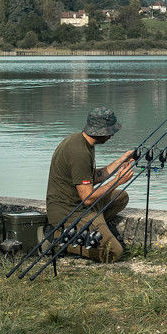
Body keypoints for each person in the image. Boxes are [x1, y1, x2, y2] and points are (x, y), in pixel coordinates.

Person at [45, 106, 134, 262]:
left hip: (82, 206)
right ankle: (58, 237)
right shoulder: (79, 152)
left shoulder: (83, 142)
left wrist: (121, 160)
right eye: (110, 131)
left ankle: (94, 227)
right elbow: (88, 198)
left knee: (121, 197)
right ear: (101, 132)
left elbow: (94, 177)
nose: (112, 135)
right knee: (113, 253)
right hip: (70, 213)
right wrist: (118, 181)